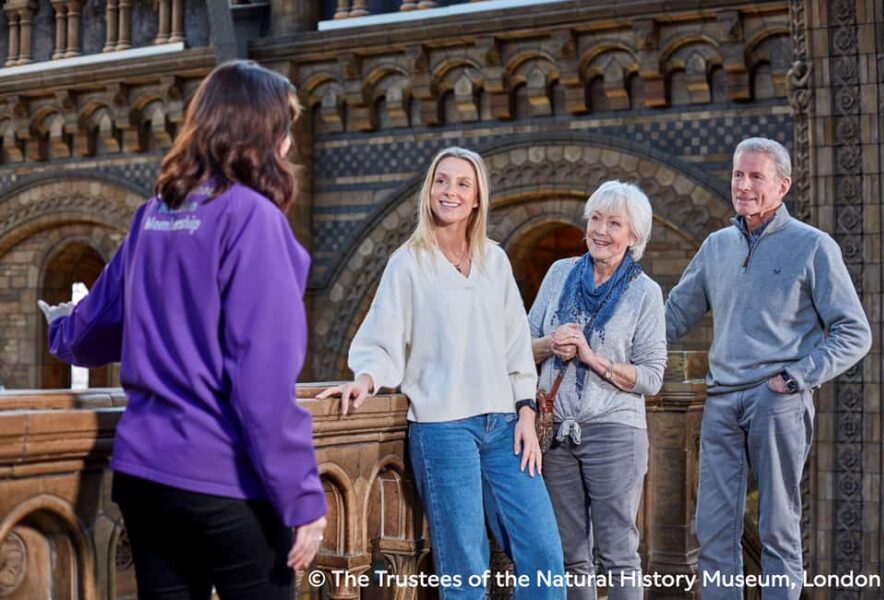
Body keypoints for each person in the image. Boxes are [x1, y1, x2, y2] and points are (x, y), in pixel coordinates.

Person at [38, 60, 327, 600]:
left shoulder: (154, 215)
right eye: (283, 128)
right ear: (258, 134)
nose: (289, 144)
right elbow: (262, 384)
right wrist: (303, 497)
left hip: (146, 479)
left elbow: (91, 332)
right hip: (223, 479)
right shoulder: (252, 219)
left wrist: (58, 326)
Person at [317, 147, 565, 599]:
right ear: (429, 190)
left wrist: (526, 410)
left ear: (477, 199)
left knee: (544, 556)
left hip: (506, 427)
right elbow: (381, 338)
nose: (449, 191)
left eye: (462, 184)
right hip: (443, 429)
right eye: (441, 180)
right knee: (465, 568)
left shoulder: (495, 260)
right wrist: (366, 379)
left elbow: (515, 346)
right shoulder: (408, 263)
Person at [665, 137, 872, 599]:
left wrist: (797, 377)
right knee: (713, 528)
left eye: (756, 176)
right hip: (720, 400)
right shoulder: (717, 245)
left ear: (783, 185)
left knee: (778, 526)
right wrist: (615, 347)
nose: (744, 185)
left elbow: (855, 332)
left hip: (776, 399)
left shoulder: (813, 246)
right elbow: (674, 315)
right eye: (739, 175)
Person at [528, 181, 666, 600]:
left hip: (614, 433)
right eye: (595, 219)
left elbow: (652, 377)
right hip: (555, 433)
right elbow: (519, 348)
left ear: (634, 236)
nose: (601, 231)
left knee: (619, 554)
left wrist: (592, 358)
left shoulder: (645, 293)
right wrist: (550, 343)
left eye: (614, 223)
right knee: (570, 554)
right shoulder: (558, 274)